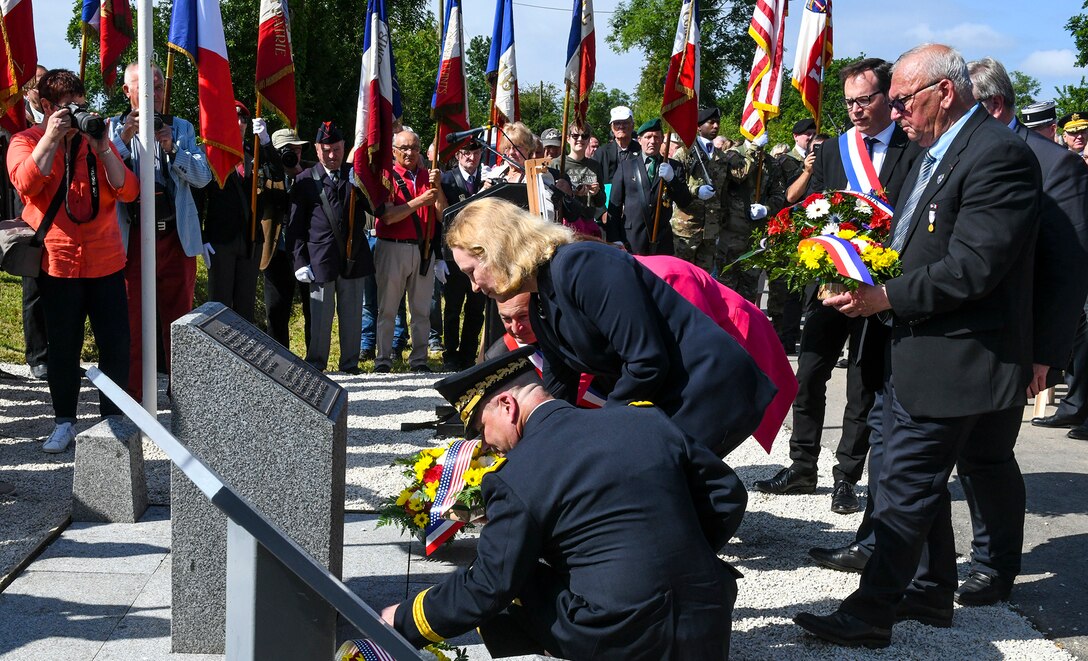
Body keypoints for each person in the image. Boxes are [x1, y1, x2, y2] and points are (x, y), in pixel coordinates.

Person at [795, 44, 1041, 647]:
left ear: (945, 93)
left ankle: (871, 611)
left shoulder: (996, 154)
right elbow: (914, 242)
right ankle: (930, 593)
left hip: (957, 357)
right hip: (919, 347)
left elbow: (972, 267)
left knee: (903, 486)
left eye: (902, 100)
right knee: (916, 486)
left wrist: (885, 297)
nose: (895, 112)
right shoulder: (940, 150)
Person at [384, 347, 748, 659]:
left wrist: (403, 619)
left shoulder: (517, 475)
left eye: (481, 428)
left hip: (621, 634)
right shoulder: (644, 419)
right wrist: (684, 552)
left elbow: (487, 587)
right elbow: (727, 494)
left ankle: (549, 647)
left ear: (507, 405)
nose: (485, 444)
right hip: (708, 613)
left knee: (515, 577)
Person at [446, 197, 776, 457]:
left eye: (472, 271)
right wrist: (536, 447)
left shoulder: (582, 264)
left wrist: (601, 437)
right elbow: (560, 385)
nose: (474, 286)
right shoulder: (540, 299)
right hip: (673, 398)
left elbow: (646, 362)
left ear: (496, 249)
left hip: (708, 393)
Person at [755, 58, 920, 520]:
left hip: (879, 289)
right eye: (849, 102)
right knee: (809, 375)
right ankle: (802, 464)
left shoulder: (914, 148)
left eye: (865, 100)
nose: (856, 110)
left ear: (888, 98)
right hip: (828, 284)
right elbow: (813, 212)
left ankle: (847, 477)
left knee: (863, 384)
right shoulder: (834, 151)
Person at [958, 57, 1088, 604]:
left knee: (986, 455)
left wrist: (1046, 355)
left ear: (989, 105)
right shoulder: (952, 152)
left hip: (1011, 342)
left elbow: (1069, 269)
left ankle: (994, 563)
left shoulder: (1055, 165)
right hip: (948, 332)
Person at [8, 69, 138, 452]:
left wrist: (101, 147)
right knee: (63, 348)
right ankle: (64, 421)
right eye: (67, 109)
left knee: (116, 346)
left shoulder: (95, 140)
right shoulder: (26, 140)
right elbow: (26, 185)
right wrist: (51, 137)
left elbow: (128, 191)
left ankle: (112, 426)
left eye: (81, 107)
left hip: (107, 261)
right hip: (57, 263)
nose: (76, 116)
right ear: (46, 107)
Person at [110, 61, 213, 402]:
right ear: (128, 92)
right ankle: (135, 396)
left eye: (157, 86)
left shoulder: (181, 127)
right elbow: (105, 179)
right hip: (133, 238)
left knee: (179, 320)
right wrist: (123, 141)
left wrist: (173, 149)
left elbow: (203, 177)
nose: (153, 93)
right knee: (131, 319)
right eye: (144, 87)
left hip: (174, 236)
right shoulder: (113, 129)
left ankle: (182, 396)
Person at [286, 121, 374, 373]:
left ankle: (350, 364)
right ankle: (316, 363)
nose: (332, 156)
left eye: (336, 149)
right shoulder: (305, 180)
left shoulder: (353, 175)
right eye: (326, 150)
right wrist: (299, 262)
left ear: (344, 147)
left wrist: (364, 186)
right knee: (320, 318)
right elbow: (295, 227)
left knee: (352, 315)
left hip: (352, 256)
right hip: (320, 259)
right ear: (317, 150)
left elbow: (374, 209)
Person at [371, 128, 444, 373]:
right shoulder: (386, 176)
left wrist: (438, 188)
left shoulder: (428, 176)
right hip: (392, 248)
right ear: (393, 151)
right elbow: (389, 216)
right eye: (404, 148)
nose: (409, 152)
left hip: (423, 249)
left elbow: (442, 213)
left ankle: (419, 359)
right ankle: (383, 359)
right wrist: (420, 201)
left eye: (414, 147)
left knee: (422, 310)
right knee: (388, 307)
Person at [197, 100, 267, 322]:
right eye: (234, 117)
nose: (239, 122)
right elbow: (199, 198)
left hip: (251, 240)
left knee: (245, 309)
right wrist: (202, 237)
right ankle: (218, 357)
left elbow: (277, 173)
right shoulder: (210, 153)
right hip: (220, 240)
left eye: (244, 119)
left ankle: (242, 356)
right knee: (220, 306)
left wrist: (265, 141)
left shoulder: (254, 152)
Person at [605, 118, 693, 256]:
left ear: (662, 140)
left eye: (656, 137)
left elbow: (685, 201)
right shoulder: (626, 167)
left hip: (662, 239)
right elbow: (614, 208)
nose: (652, 141)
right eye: (648, 137)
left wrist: (672, 179)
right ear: (639, 140)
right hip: (631, 239)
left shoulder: (673, 167)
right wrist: (614, 239)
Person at [436, 140, 487, 370]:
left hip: (481, 253)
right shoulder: (445, 180)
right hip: (454, 254)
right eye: (466, 153)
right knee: (453, 306)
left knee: (476, 306)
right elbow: (445, 216)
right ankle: (451, 352)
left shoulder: (487, 179)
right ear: (458, 155)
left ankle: (468, 353)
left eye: (475, 153)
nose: (471, 158)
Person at [260, 128, 312, 350]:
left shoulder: (311, 172)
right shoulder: (265, 172)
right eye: (288, 151)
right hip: (276, 250)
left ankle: (314, 360)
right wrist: (275, 167)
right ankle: (279, 360)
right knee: (276, 310)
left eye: (298, 150)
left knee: (313, 309)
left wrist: (298, 173)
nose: (294, 154)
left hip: (307, 251)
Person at [671, 107, 728, 273]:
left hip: (710, 229)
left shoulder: (721, 157)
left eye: (717, 122)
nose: (715, 126)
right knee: (683, 275)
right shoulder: (684, 153)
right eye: (710, 122)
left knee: (705, 277)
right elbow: (674, 186)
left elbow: (723, 191)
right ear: (698, 127)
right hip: (687, 227)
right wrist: (696, 190)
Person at [549, 121, 606, 222]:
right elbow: (550, 198)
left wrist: (596, 193)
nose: (580, 139)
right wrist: (573, 193)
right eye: (575, 136)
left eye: (584, 136)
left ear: (589, 139)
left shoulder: (595, 166)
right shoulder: (557, 164)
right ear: (568, 139)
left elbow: (601, 202)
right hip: (566, 222)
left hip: (588, 222)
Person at [592, 105, 641, 184]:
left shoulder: (641, 151)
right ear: (612, 127)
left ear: (633, 125)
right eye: (617, 123)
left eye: (625, 123)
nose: (621, 126)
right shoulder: (601, 153)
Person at [779, 118, 817, 204]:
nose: (812, 137)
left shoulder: (819, 156)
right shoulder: (784, 161)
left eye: (814, 134)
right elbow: (787, 195)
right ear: (795, 136)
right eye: (808, 134)